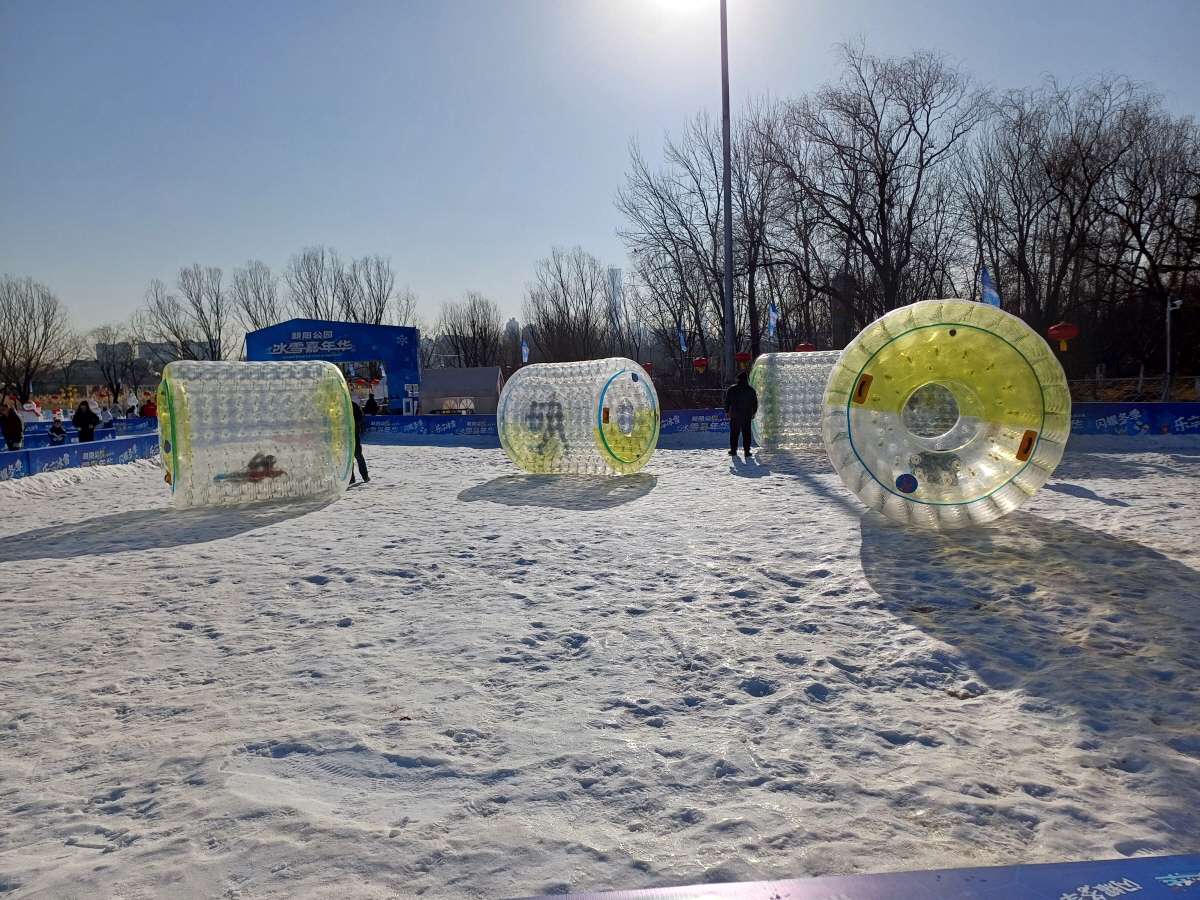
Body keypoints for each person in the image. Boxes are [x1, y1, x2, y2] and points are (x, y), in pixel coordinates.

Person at [724, 370, 758, 459]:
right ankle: (747, 451)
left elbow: (727, 401)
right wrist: (753, 412)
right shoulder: (750, 390)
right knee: (747, 434)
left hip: (735, 415)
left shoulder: (732, 389)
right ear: (746, 379)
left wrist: (727, 411)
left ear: (738, 379)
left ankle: (733, 450)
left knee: (734, 433)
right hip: (747, 415)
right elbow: (755, 402)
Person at [349, 399, 370, 484]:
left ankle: (365, 476)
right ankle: (351, 478)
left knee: (358, 455)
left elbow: (360, 417)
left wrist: (351, 423)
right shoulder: (338, 405)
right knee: (348, 458)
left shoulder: (353, 404)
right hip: (344, 435)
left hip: (354, 433)